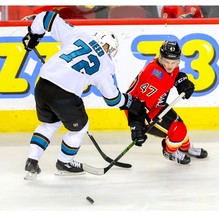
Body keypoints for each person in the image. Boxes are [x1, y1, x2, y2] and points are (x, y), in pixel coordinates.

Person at [22, 10, 145, 179]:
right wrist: (129, 102)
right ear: (108, 46)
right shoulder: (106, 64)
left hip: (43, 85)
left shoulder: (79, 34)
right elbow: (112, 99)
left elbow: (47, 17)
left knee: (50, 125)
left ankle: (32, 160)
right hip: (65, 95)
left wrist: (34, 35)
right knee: (81, 128)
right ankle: (65, 162)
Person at [125, 41, 208, 165]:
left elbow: (173, 75)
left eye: (174, 62)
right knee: (178, 129)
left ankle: (185, 148)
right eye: (167, 62)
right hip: (142, 113)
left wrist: (182, 81)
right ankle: (169, 152)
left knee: (180, 125)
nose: (170, 66)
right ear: (161, 58)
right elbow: (136, 103)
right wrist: (136, 126)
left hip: (157, 105)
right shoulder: (153, 76)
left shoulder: (166, 66)